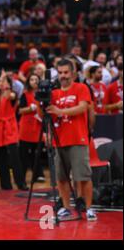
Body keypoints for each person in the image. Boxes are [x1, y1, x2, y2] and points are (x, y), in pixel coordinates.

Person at [47, 59, 96, 221]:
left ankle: (89, 208)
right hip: (59, 140)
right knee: (61, 178)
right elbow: (46, 114)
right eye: (60, 73)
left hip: (78, 139)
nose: (63, 76)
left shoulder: (81, 88)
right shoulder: (53, 93)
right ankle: (66, 207)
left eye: (66, 72)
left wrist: (60, 111)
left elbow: (83, 107)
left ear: (73, 73)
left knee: (83, 176)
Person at [0, 71, 27, 191]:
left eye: (3, 81)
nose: (0, 83)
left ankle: (21, 183)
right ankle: (5, 185)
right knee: (1, 159)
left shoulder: (11, 94)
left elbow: (11, 95)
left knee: (14, 158)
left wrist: (7, 83)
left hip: (9, 128)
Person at [18, 74, 44, 182]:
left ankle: (38, 175)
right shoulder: (25, 95)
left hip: (38, 126)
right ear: (28, 82)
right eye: (32, 79)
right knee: (24, 153)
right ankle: (22, 177)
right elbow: (20, 110)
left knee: (37, 153)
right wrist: (30, 108)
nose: (34, 81)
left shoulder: (42, 95)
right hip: (26, 127)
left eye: (36, 79)